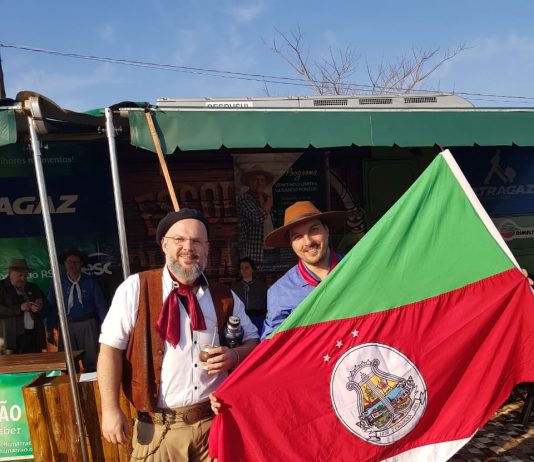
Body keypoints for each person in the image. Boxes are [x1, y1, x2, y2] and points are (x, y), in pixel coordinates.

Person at [97, 208, 259, 461]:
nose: (188, 248)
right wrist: (109, 409)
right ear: (164, 245)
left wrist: (234, 356)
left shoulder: (223, 296)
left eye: (197, 241)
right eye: (179, 239)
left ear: (207, 248)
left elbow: (254, 342)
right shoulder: (136, 287)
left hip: (214, 425)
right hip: (159, 430)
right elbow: (109, 350)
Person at [47, 249, 106, 372]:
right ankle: (70, 383)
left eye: (76, 262)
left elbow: (100, 305)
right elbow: (52, 306)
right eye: (70, 262)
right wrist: (49, 328)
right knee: (67, 362)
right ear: (65, 264)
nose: (73, 265)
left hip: (87, 323)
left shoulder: (90, 281)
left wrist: (105, 326)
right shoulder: (58, 282)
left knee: (93, 360)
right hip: (67, 325)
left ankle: (93, 382)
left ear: (81, 264)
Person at [0, 259, 47, 353]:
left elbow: (48, 308)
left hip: (34, 338)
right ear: (10, 273)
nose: (23, 279)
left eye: (26, 276)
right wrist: (19, 308)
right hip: (11, 340)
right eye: (20, 275)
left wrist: (40, 307)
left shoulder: (33, 287)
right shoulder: (1, 287)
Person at [236, 165, 275, 264]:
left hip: (271, 249)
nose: (259, 183)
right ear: (249, 182)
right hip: (255, 252)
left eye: (262, 180)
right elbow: (258, 218)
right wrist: (269, 204)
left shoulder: (266, 198)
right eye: (255, 180)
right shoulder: (245, 198)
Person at [231, 257, 268, 334]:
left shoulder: (261, 286)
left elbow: (267, 303)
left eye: (246, 268)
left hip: (258, 319)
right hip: (241, 320)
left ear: (252, 269)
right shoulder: (235, 287)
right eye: (242, 268)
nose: (244, 270)